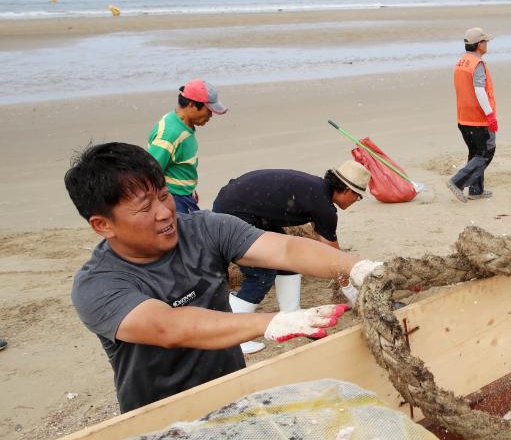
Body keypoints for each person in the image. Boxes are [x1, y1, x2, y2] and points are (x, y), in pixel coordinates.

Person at [64, 142, 379, 412]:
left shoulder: (205, 229)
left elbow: (285, 250)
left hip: (232, 393)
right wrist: (271, 322)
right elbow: (169, 327)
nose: (163, 213)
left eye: (163, 196)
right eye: (144, 207)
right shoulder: (98, 284)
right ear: (103, 225)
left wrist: (356, 267)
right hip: (159, 416)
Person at [212, 161, 371, 354]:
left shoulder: (316, 189)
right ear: (347, 190)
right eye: (358, 196)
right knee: (261, 274)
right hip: (234, 212)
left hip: (241, 203)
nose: (356, 201)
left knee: (288, 259)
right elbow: (334, 258)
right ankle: (233, 337)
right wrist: (349, 288)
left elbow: (324, 252)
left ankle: (292, 313)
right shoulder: (324, 207)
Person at [147, 79, 228, 215]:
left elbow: (180, 165)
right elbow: (149, 172)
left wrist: (189, 189)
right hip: (174, 199)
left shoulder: (183, 125)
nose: (210, 115)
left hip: (184, 195)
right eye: (208, 110)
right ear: (191, 105)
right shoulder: (170, 134)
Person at [446, 27, 498, 202]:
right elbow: (479, 91)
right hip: (478, 118)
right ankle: (457, 181)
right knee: (486, 151)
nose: (487, 44)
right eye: (485, 41)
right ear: (478, 44)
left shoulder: (462, 62)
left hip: (463, 117)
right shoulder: (477, 64)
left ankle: (476, 190)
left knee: (475, 153)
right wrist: (490, 115)